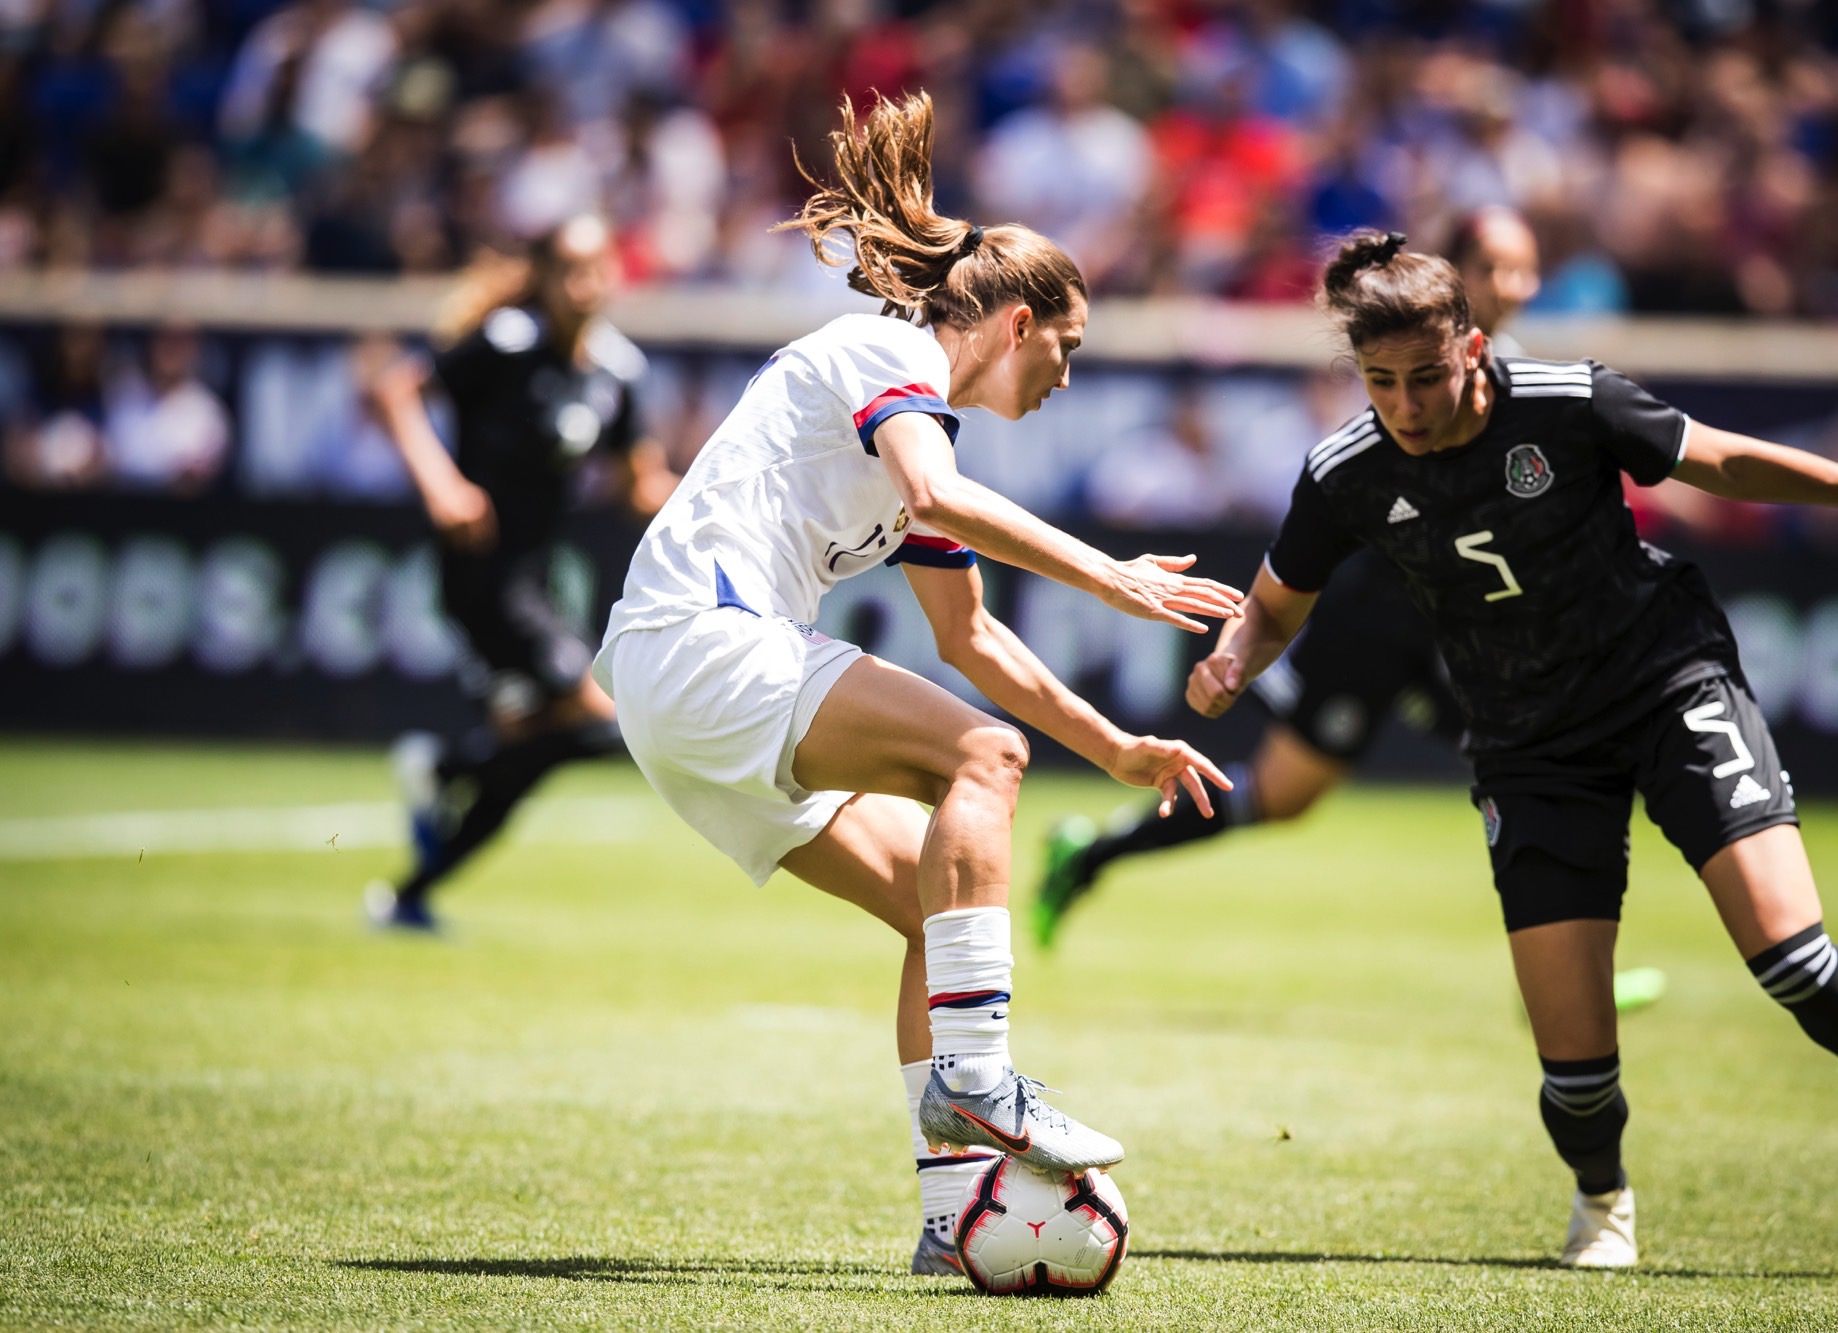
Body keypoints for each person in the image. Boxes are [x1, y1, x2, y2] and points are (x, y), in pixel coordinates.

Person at [1186, 230, 1838, 1268]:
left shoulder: (1567, 401)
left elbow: (1725, 460)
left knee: (1788, 957)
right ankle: (1600, 1198)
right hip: (1525, 740)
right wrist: (1231, 659)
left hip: (1662, 681)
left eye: (1426, 376)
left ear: (1471, 349)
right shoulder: (1344, 471)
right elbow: (1270, 603)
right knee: (1572, 1065)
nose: (1406, 404)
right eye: (1381, 383)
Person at [594, 91, 1242, 1277]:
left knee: (935, 913)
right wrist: (1107, 574)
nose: (1067, 373)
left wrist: (1119, 749)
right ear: (1012, 321)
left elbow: (972, 641)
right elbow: (941, 507)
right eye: (1068, 345)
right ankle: (983, 1084)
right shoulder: (883, 353)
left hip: (674, 694)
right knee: (984, 757)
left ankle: (952, 1221)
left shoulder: (920, 430)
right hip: (704, 641)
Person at [1034, 207, 1540, 952]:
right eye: (1496, 267)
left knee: (1520, 769)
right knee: (1289, 793)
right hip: (1376, 617)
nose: (1515, 284)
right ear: (1457, 275)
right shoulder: (1415, 374)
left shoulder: (1512, 370)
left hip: (1441, 619)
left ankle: (1565, 975)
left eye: (1525, 267)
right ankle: (1093, 852)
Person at [363, 214, 676, 930]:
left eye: (596, 267)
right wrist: (442, 486)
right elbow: (396, 391)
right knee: (605, 719)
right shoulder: (508, 341)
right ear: (542, 275)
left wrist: (729, 505)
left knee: (537, 748)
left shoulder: (617, 370)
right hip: (478, 574)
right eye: (569, 268)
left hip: (533, 581)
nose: (584, 283)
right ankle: (447, 773)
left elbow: (638, 485)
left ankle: (413, 887)